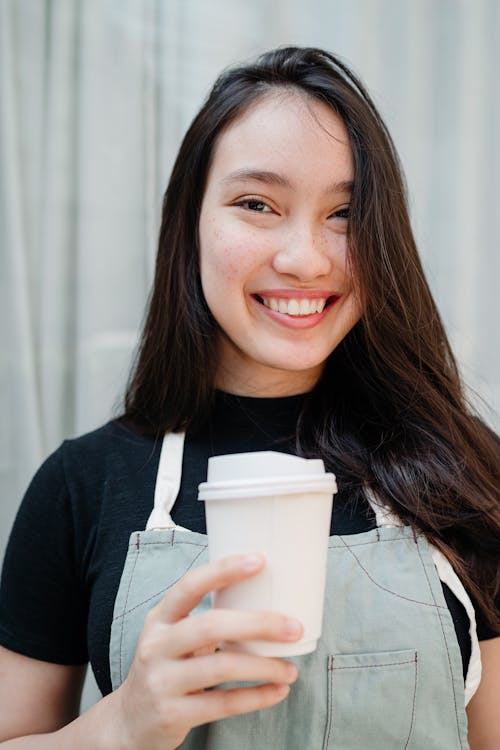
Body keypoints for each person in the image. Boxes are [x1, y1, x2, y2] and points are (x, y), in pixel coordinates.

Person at [0, 46, 498, 749]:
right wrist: (121, 724)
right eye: (257, 204)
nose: (306, 257)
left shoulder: (466, 473)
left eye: (347, 213)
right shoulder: (81, 486)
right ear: (191, 225)